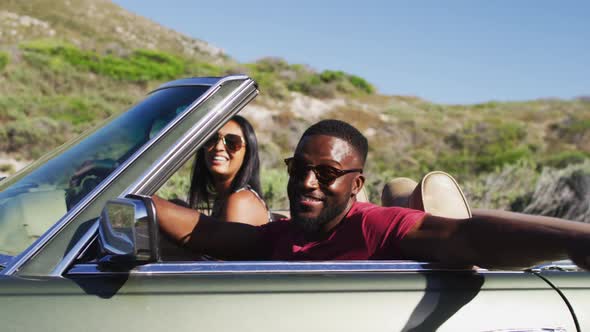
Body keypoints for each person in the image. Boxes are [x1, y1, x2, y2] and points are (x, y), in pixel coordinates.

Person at [153, 119, 590, 270]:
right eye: (299, 169)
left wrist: (573, 239)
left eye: (326, 174)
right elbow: (206, 233)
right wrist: (135, 202)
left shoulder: (377, 225)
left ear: (356, 185)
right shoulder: (281, 236)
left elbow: (467, 237)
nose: (308, 182)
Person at [185, 115, 270, 226]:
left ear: (247, 153)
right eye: (211, 139)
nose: (218, 147)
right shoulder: (223, 199)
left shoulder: (241, 202)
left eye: (232, 142)